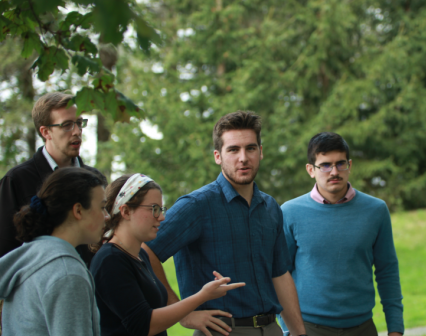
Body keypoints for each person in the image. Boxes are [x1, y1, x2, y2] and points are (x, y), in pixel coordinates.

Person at [143, 111, 307, 336]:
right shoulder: (196, 205)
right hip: (221, 331)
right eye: (233, 149)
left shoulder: (270, 207)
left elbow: (280, 275)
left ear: (261, 152)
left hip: (271, 329)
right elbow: (144, 250)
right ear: (217, 156)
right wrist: (182, 313)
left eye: (250, 148)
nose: (243, 158)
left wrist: (299, 333)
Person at [277, 132, 404, 336]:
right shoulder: (289, 213)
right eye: (325, 165)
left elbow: (387, 271)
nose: (334, 171)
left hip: (363, 328)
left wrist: (395, 329)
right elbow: (280, 276)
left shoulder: (376, 211)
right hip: (308, 329)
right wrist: (287, 330)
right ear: (311, 170)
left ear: (350, 165)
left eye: (340, 164)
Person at [90, 173, 245, 336]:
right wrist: (202, 296)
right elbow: (144, 325)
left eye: (161, 209)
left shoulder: (140, 255)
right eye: (154, 209)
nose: (162, 217)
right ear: (126, 211)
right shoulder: (111, 260)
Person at [0, 167, 108, 335]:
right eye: (102, 207)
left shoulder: (32, 256)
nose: (107, 216)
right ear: (78, 210)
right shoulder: (67, 274)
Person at [0, 92, 95, 266]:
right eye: (67, 125)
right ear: (46, 132)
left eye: (79, 123)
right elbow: (6, 253)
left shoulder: (95, 180)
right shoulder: (16, 180)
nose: (77, 132)